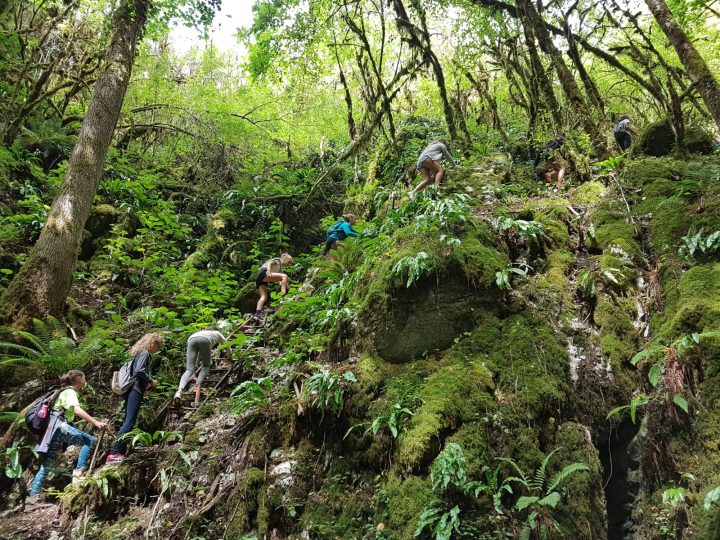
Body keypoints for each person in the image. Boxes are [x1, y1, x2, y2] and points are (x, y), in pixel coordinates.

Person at [27, 370, 108, 505]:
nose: (85, 380)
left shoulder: (62, 391)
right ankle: (78, 474)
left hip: (51, 430)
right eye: (84, 377)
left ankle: (31, 499)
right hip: (59, 426)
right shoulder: (70, 392)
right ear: (78, 378)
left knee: (47, 464)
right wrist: (96, 422)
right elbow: (76, 410)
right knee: (90, 441)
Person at [105, 333, 163, 464]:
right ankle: (114, 452)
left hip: (130, 390)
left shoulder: (138, 354)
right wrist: (151, 381)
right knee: (130, 422)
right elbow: (139, 371)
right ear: (152, 343)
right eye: (158, 346)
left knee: (128, 421)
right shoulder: (145, 354)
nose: (157, 349)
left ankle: (119, 452)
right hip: (135, 390)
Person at [173, 329, 226, 404]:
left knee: (189, 369)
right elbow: (227, 345)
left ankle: (179, 392)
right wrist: (230, 355)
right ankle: (197, 390)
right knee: (206, 366)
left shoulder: (200, 333)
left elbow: (197, 356)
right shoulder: (217, 333)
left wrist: (194, 373)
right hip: (205, 340)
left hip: (191, 339)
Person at [253, 253, 293, 320]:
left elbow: (284, 283)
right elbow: (270, 263)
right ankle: (282, 296)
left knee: (264, 297)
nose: (289, 264)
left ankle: (257, 314)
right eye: (289, 262)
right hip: (264, 272)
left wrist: (292, 290)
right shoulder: (278, 260)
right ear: (285, 259)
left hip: (260, 279)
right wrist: (268, 270)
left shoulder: (280, 270)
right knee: (284, 276)